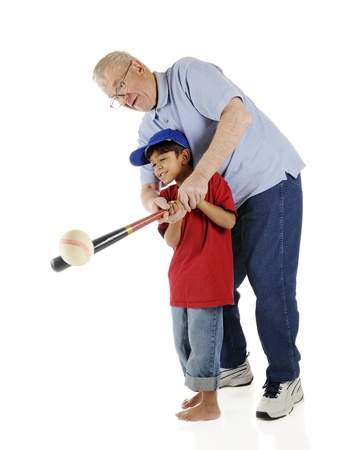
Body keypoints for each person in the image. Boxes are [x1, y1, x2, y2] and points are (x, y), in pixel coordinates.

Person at [93, 52, 305, 420]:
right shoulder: (148, 129)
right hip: (224, 202)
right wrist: (158, 203)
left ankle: (286, 378)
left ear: (138, 67)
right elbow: (147, 190)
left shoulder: (188, 75)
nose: (124, 100)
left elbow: (238, 115)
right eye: (115, 98)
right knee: (216, 287)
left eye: (122, 87)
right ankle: (235, 364)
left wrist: (199, 178)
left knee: (271, 285)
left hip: (267, 183)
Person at [131, 128, 237, 422]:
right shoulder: (165, 198)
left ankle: (211, 403)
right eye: (153, 164)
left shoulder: (211, 182)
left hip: (209, 278)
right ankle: (201, 392)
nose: (158, 168)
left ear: (184, 156)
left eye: (163, 158)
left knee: (205, 341)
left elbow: (228, 220)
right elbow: (171, 241)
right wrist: (175, 217)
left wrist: (198, 201)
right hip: (180, 280)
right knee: (184, 343)